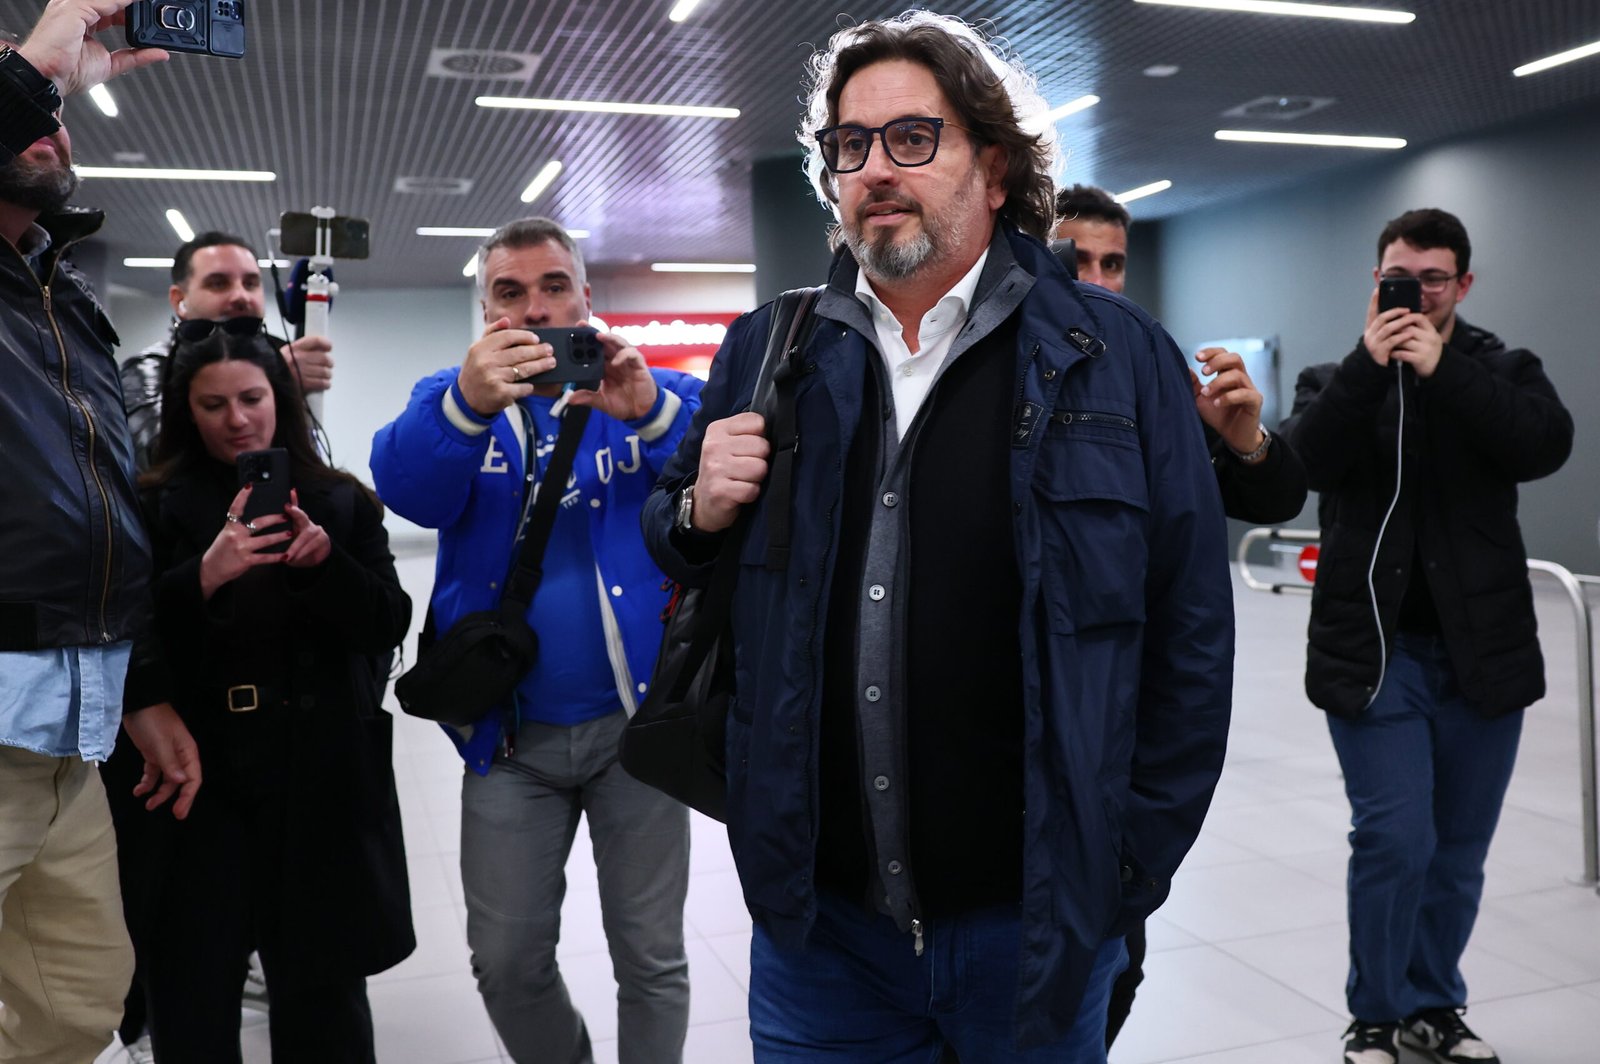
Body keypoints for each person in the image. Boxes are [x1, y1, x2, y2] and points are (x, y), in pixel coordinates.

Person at [641, 13, 1234, 1060]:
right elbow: (680, 537)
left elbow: (1191, 629)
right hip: (819, 928)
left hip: (1036, 920)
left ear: (994, 169)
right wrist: (695, 509)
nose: (874, 167)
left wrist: (1128, 863)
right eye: (849, 144)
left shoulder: (1117, 357)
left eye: (912, 137)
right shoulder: (770, 350)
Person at [370, 217, 704, 1064]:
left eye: (555, 286)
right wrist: (466, 407)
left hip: (638, 735)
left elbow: (725, 469)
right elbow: (407, 490)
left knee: (652, 957)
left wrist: (651, 413)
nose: (536, 308)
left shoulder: (643, 389)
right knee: (507, 963)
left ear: (585, 297)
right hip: (509, 740)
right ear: (487, 310)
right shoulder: (454, 401)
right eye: (511, 292)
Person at [1281, 208, 1573, 1064]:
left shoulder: (1504, 369)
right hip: (1378, 657)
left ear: (1463, 285)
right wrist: (1370, 369)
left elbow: (1543, 444)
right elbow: (1302, 464)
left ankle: (1432, 1004)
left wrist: (1444, 371)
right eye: (1398, 279)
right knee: (1395, 838)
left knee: (1458, 852)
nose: (1417, 293)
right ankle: (1374, 1012)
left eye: (1434, 279)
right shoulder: (1333, 378)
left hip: (1483, 659)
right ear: (1375, 282)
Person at [1056, 182, 1309, 1047]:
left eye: (1113, 264)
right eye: (1077, 260)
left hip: (1124, 725)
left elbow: (1274, 496)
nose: (1097, 280)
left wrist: (1242, 438)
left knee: (1113, 975)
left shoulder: (1148, 374)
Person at [126, 321, 414, 1062]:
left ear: (279, 399)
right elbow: (125, 633)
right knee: (192, 999)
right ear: (186, 411)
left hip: (315, 778)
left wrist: (325, 567)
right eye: (213, 404)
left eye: (251, 398)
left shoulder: (340, 502)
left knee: (324, 1007)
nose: (237, 420)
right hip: (196, 782)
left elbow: (388, 621)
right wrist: (202, 576)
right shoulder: (151, 506)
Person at [0, 5, 202, 1061]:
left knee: (79, 1005)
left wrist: (143, 687)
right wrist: (34, 70)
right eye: (28, 99)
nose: (52, 120)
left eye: (55, 108)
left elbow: (103, 514)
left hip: (67, 735)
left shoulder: (61, 295)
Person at [120, 230, 336, 472]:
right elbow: (156, 463)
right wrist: (280, 382)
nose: (241, 296)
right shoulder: (146, 371)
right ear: (179, 300)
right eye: (218, 284)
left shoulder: (278, 353)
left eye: (250, 283)